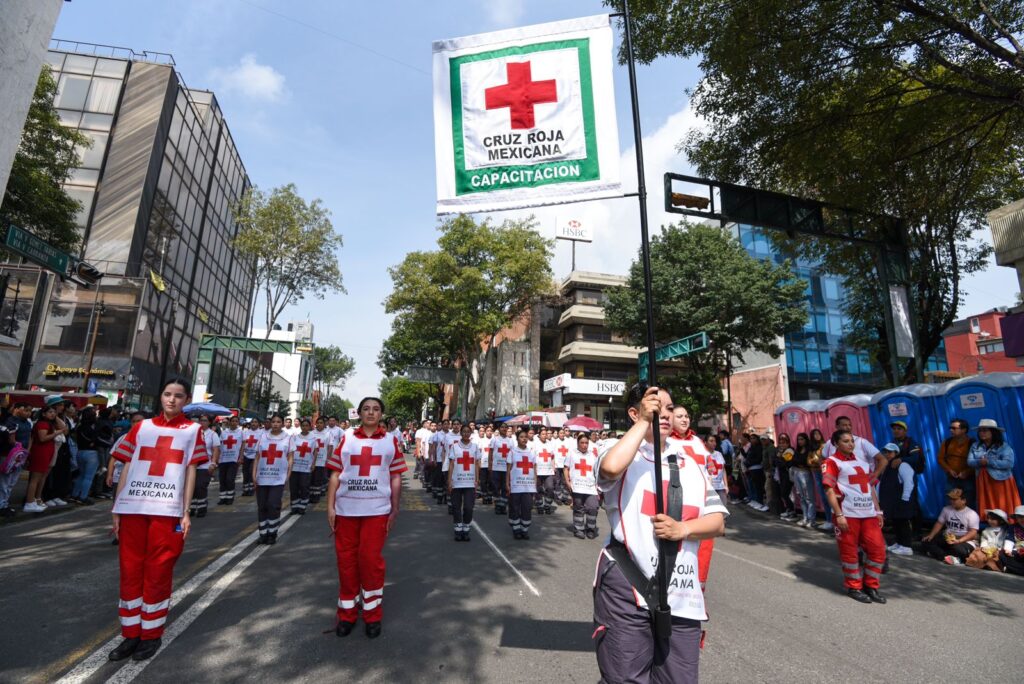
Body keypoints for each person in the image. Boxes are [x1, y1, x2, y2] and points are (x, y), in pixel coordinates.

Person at [593, 385, 726, 683]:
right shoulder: (618, 451)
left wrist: (684, 529)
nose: (664, 414)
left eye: (669, 408)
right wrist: (643, 421)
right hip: (627, 585)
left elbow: (717, 522)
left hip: (681, 592)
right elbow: (611, 469)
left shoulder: (689, 462)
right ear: (634, 412)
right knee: (624, 677)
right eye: (656, 406)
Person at [107, 377, 207, 662]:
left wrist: (185, 511)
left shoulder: (193, 430)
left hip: (167, 511)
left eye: (178, 395)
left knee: (159, 570)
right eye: (167, 394)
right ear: (160, 397)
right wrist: (117, 507)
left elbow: (190, 471)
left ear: (186, 399)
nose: (171, 400)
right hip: (133, 508)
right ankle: (130, 634)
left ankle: (151, 634)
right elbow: (127, 464)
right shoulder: (142, 427)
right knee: (130, 569)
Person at [326, 397, 405, 639]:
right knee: (346, 562)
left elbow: (395, 477)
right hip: (346, 510)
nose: (371, 413)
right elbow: (336, 474)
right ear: (359, 413)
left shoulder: (391, 441)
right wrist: (330, 507)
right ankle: (347, 615)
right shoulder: (346, 438)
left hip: (376, 511)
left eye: (376, 409)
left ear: (382, 414)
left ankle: (372, 615)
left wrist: (394, 507)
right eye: (366, 409)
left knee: (370, 562)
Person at [822, 429, 887, 604]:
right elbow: (829, 490)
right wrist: (839, 514)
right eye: (845, 441)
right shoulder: (831, 462)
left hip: (868, 514)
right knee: (850, 553)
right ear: (836, 443)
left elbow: (870, 487)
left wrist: (878, 510)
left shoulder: (862, 462)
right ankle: (854, 587)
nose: (850, 444)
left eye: (851, 441)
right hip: (848, 515)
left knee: (878, 549)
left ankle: (871, 586)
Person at [967, 419, 1021, 518]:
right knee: (988, 503)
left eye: (985, 430)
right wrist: (979, 462)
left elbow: (1009, 463)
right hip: (983, 479)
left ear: (993, 432)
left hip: (1000, 480)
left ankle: (1006, 524)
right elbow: (970, 461)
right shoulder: (975, 446)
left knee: (1002, 502)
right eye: (980, 431)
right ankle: (992, 524)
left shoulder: (1004, 447)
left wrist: (989, 462)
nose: (982, 433)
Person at [254, 415, 293, 544]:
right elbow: (258, 457)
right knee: (262, 505)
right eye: (273, 422)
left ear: (282, 424)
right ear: (270, 423)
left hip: (278, 478)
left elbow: (290, 457)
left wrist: (288, 475)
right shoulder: (263, 437)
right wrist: (254, 474)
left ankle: (272, 533)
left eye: (278, 422)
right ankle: (263, 533)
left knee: (273, 504)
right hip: (262, 477)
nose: (275, 424)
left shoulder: (288, 438)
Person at [23, 401, 64, 513]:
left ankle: (34, 501)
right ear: (43, 414)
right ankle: (30, 502)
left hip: (45, 452)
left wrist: (56, 420)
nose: (52, 414)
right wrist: (56, 433)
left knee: (39, 478)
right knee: (35, 479)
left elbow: (64, 428)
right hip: (40, 452)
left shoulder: (49, 423)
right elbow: (42, 438)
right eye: (50, 412)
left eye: (54, 412)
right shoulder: (42, 424)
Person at [921, 488, 979, 564]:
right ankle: (947, 557)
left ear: (963, 501)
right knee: (926, 541)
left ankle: (941, 555)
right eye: (951, 499)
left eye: (955, 499)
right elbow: (939, 523)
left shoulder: (971, 514)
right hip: (948, 537)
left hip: (963, 540)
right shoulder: (946, 509)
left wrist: (959, 541)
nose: (952, 501)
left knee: (959, 550)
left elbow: (973, 532)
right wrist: (931, 535)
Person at [447, 424, 480, 541]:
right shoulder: (454, 447)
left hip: (470, 482)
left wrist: (477, 479)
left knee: (468, 507)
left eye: (468, 432)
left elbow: (476, 464)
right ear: (461, 433)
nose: (466, 433)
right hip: (456, 482)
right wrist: (449, 480)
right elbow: (451, 464)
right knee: (456, 507)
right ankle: (458, 530)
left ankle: (466, 530)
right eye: (464, 431)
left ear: (471, 433)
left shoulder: (475, 447)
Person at [565, 433, 598, 539]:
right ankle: (579, 529)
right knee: (578, 508)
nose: (584, 445)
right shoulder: (572, 453)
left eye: (586, 443)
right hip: (577, 486)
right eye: (582, 443)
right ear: (577, 443)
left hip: (590, 487)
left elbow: (596, 471)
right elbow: (566, 468)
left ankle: (590, 529)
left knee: (593, 508)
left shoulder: (592, 455)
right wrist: (567, 482)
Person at [938, 418, 975, 509]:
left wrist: (967, 472)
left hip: (968, 479)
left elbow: (976, 462)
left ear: (964, 430)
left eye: (954, 428)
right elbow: (940, 459)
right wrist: (949, 470)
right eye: (950, 428)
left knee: (968, 504)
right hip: (952, 479)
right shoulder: (947, 442)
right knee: (951, 504)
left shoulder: (972, 443)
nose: (951, 430)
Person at [506, 429, 537, 540]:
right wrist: (507, 484)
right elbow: (508, 469)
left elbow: (534, 469)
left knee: (527, 507)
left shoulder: (532, 452)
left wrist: (535, 484)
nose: (524, 439)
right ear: (517, 439)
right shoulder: (512, 452)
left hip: (528, 486)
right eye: (521, 437)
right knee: (515, 507)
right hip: (515, 485)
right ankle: (516, 529)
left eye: (525, 437)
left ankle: (525, 529)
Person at [190, 415, 220, 518]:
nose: (202, 422)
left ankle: (202, 507)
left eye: (204, 420)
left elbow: (216, 449)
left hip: (205, 465)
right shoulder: (194, 433)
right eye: (200, 420)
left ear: (209, 422)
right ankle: (192, 508)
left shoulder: (212, 434)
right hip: (193, 464)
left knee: (200, 486)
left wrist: (213, 463)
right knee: (192, 487)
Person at [290, 418, 317, 515]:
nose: (305, 427)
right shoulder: (295, 437)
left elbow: (315, 451)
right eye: (303, 425)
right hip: (294, 466)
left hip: (306, 466)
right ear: (301, 426)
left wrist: (313, 463)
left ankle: (302, 506)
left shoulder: (313, 438)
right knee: (294, 487)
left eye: (307, 425)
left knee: (304, 486)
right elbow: (291, 451)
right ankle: (294, 506)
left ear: (309, 427)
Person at [791, 433, 817, 528]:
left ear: (806, 440)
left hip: (806, 473)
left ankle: (812, 519)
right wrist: (798, 462)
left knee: (809, 497)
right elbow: (793, 461)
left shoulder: (809, 450)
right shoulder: (797, 450)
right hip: (797, 473)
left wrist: (799, 463)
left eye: (802, 439)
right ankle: (805, 517)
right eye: (798, 439)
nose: (800, 441)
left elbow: (805, 462)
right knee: (801, 497)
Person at [217, 415, 243, 505]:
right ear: (229, 422)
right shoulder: (224, 432)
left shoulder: (240, 432)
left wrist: (241, 457)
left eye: (236, 421)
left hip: (233, 459)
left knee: (229, 479)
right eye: (233, 421)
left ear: (238, 423)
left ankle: (230, 497)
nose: (234, 422)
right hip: (223, 459)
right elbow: (220, 445)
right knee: (222, 479)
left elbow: (243, 445)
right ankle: (222, 498)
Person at [490, 423, 513, 515]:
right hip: (496, 467)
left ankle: (502, 506)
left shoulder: (511, 441)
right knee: (496, 487)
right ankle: (497, 504)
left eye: (505, 427)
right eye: (502, 427)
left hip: (506, 468)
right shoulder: (494, 439)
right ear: (499, 429)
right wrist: (489, 464)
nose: (504, 429)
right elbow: (490, 453)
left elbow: (512, 454)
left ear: (507, 429)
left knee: (505, 487)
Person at [809, 428, 830, 530]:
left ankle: (832, 520)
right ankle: (829, 520)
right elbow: (809, 461)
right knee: (823, 497)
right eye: (814, 434)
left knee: (829, 496)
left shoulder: (825, 445)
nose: (816, 435)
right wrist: (815, 461)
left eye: (818, 433)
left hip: (825, 471)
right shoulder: (812, 448)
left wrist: (818, 461)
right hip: (816, 471)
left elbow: (827, 458)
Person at [533, 428, 556, 514]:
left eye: (546, 434)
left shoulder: (550, 444)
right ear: (539, 435)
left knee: (550, 488)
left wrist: (554, 467)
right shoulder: (535, 444)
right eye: (543, 434)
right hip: (538, 471)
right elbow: (533, 457)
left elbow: (553, 457)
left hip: (548, 471)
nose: (545, 435)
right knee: (538, 489)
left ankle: (547, 505)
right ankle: (539, 506)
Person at [774, 433, 797, 521]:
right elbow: (775, 462)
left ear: (788, 443)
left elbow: (783, 464)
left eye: (784, 443)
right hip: (781, 475)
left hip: (788, 475)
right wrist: (778, 459)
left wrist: (778, 459)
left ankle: (792, 512)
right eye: (780, 443)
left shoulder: (790, 451)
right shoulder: (780, 452)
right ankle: (789, 510)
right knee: (783, 494)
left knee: (785, 493)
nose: (782, 445)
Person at [998, 505, 1024, 576]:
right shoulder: (1013, 527)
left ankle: (1012, 569)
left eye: (1023, 517)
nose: (1022, 519)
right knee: (1002, 554)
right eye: (1019, 517)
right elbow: (1009, 540)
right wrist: (1008, 550)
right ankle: (1016, 569)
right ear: (1016, 518)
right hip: (1016, 552)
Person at [310, 416, 330, 503]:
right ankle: (310, 495)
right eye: (317, 423)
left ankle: (316, 496)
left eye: (321, 423)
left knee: (318, 478)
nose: (319, 424)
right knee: (311, 478)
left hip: (322, 459)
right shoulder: (311, 433)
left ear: (324, 424)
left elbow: (330, 446)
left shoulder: (328, 433)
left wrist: (328, 459)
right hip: (311, 460)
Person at [240, 418, 261, 497]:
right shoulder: (246, 432)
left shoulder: (261, 433)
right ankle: (245, 489)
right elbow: (243, 444)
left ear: (258, 424)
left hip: (255, 456)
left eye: (255, 422)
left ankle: (251, 489)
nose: (253, 424)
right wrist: (241, 456)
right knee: (245, 473)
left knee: (251, 472)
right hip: (246, 455)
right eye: (252, 422)